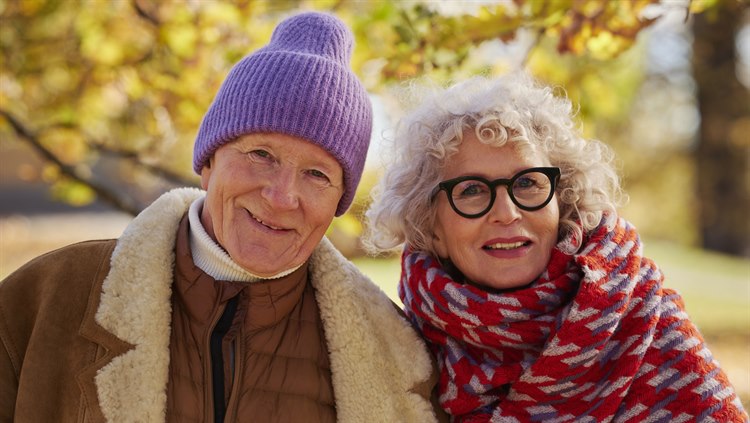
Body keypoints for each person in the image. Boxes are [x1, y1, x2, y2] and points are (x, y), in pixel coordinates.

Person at [0, 12, 442, 423]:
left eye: (316, 174)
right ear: (208, 162)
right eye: (261, 155)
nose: (282, 196)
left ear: (338, 203)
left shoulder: (396, 355)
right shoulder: (47, 297)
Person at [365, 72, 748, 422]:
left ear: (563, 201)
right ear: (431, 229)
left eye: (528, 183)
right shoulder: (400, 346)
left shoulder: (644, 323)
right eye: (471, 190)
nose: (507, 212)